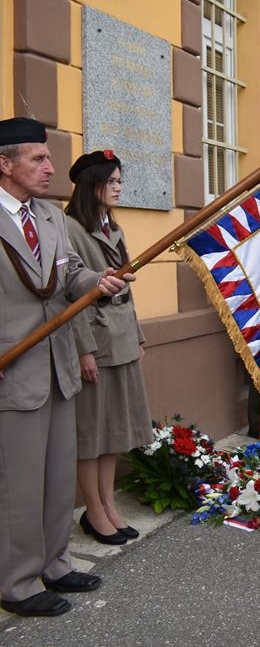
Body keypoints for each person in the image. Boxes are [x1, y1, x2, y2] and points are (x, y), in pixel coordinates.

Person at [0, 118, 132, 617]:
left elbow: (69, 275)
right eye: (38, 159)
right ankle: (16, 583)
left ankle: (55, 564)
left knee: (57, 476)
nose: (50, 167)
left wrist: (99, 282)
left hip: (57, 365)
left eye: (48, 157)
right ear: (4, 163)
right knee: (19, 482)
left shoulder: (51, 218)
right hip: (13, 369)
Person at [65, 150, 153, 546]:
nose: (119, 188)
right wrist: (83, 349)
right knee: (91, 433)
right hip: (95, 342)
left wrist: (137, 337)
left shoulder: (112, 228)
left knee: (115, 430)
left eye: (121, 181)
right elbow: (69, 297)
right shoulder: (70, 229)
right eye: (113, 181)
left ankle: (108, 505)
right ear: (93, 184)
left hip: (121, 340)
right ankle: (93, 512)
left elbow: (128, 291)